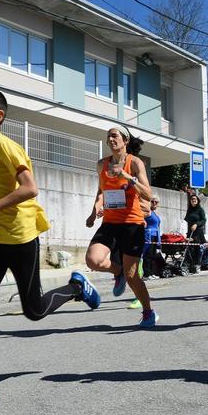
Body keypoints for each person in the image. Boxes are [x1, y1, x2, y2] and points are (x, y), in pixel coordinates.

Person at [0, 82, 101, 408]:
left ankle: (75, 288)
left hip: (22, 239)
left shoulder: (5, 147)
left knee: (34, 310)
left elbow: (29, 188)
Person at [84, 125, 157, 327]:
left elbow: (148, 195)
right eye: (109, 137)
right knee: (93, 260)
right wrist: (93, 212)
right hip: (109, 222)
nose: (111, 139)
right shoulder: (102, 165)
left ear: (125, 140)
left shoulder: (135, 163)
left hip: (132, 224)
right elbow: (101, 192)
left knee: (133, 276)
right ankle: (118, 273)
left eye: (115, 136)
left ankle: (149, 312)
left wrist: (126, 177)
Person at [184, 193, 207, 273]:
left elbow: (204, 220)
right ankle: (190, 265)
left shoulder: (200, 210)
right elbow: (186, 219)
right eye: (192, 199)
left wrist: (196, 224)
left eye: (195, 199)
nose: (193, 201)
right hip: (190, 232)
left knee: (197, 249)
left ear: (197, 201)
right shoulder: (189, 210)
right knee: (189, 248)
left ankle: (197, 265)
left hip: (198, 232)